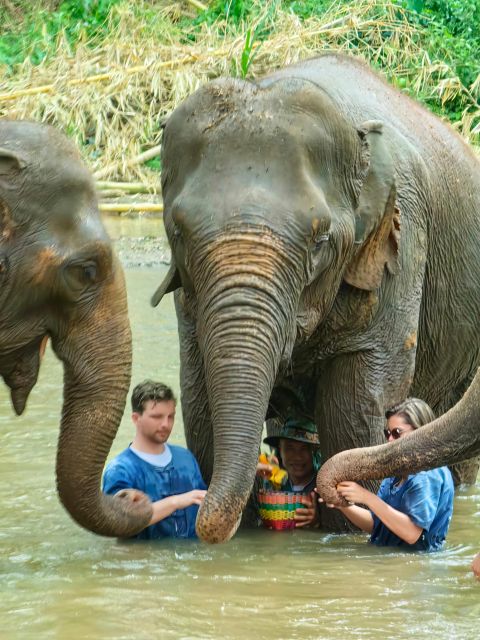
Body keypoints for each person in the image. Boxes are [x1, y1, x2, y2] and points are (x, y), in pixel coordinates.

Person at [320, 398, 454, 551]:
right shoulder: (396, 472)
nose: (390, 439)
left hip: (414, 567)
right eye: (387, 433)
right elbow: (376, 525)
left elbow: (412, 534)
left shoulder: (428, 474)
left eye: (397, 433)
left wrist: (366, 497)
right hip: (388, 560)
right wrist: (343, 505)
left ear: (421, 431)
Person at [102, 380, 207, 540]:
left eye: (170, 417)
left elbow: (205, 504)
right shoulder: (120, 470)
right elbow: (119, 523)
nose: (166, 424)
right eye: (157, 417)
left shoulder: (185, 458)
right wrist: (176, 502)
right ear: (136, 418)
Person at [258, 418, 322, 528]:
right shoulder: (270, 484)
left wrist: (318, 521)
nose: (297, 456)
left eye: (304, 448)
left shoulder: (322, 487)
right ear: (280, 450)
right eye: (289, 448)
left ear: (315, 452)